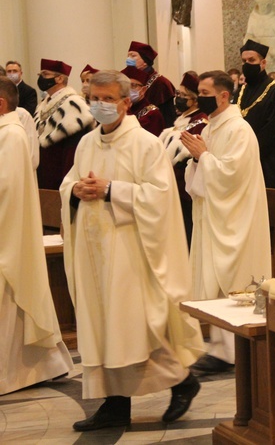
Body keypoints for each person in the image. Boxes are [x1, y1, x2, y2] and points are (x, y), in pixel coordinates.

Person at [60, 70, 204, 431]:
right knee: (105, 325)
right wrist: (74, 191)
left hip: (130, 250)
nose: (100, 105)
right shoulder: (87, 143)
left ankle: (182, 380)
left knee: (135, 326)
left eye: (109, 99)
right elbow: (69, 182)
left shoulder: (145, 144)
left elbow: (159, 198)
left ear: (127, 102)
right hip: (94, 249)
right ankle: (114, 404)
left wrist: (112, 190)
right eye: (95, 98)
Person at [182, 71, 272, 374]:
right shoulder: (211, 127)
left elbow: (232, 175)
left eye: (206, 92)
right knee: (214, 281)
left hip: (237, 218)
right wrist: (197, 159)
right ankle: (221, 349)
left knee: (235, 278)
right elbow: (204, 174)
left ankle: (239, 350)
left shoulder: (239, 129)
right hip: (214, 216)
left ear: (223, 96)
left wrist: (203, 157)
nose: (200, 97)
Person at [0, 76, 73, 396]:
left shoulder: (12, 136)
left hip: (9, 234)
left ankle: (20, 372)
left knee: (14, 301)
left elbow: (8, 189)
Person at [235, 39, 275, 188]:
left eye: (252, 60)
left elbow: (274, 132)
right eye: (244, 61)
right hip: (242, 162)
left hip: (267, 163)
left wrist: (248, 151)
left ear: (263, 63)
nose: (247, 64)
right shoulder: (241, 91)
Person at [159, 72, 209, 243]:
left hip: (184, 187)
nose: (177, 98)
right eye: (177, 94)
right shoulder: (182, 118)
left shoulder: (201, 121)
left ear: (194, 100)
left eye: (182, 95)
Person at [34, 58, 94, 189]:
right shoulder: (42, 105)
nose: (41, 79)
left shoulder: (74, 104)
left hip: (62, 174)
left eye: (45, 75)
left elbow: (73, 149)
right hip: (44, 173)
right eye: (40, 75)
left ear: (60, 79)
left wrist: (68, 184)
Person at [126, 41, 177, 127]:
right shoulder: (127, 78)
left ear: (145, 61)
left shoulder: (161, 82)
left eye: (133, 55)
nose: (128, 59)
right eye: (128, 56)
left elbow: (168, 117)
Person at [244, 0, 275, 72]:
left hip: (271, 58)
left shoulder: (272, 19)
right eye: (260, 3)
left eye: (264, 3)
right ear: (257, 3)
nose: (262, 5)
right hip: (256, 57)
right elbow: (248, 34)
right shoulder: (253, 18)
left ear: (267, 4)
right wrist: (253, 42)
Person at [121, 66, 166, 136]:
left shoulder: (152, 114)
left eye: (133, 85)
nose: (127, 90)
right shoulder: (119, 109)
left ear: (143, 90)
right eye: (124, 86)